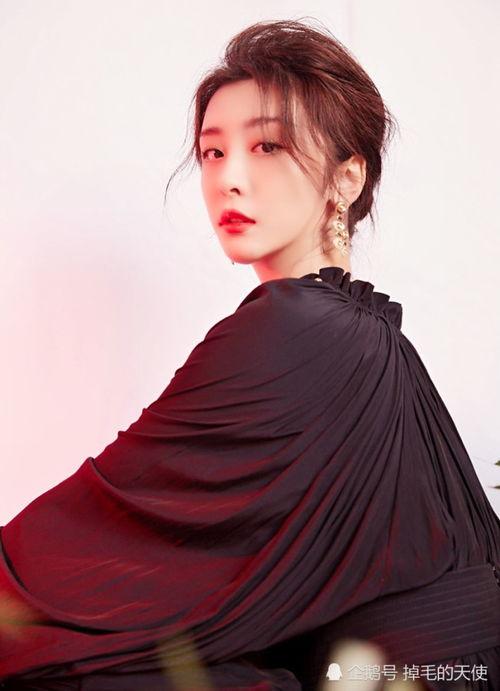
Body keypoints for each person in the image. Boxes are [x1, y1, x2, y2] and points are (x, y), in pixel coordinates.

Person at [1, 17, 499, 691]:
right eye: (212, 152)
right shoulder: (369, 330)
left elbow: (91, 540)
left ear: (347, 178)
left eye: (268, 145)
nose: (229, 178)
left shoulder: (295, 329)